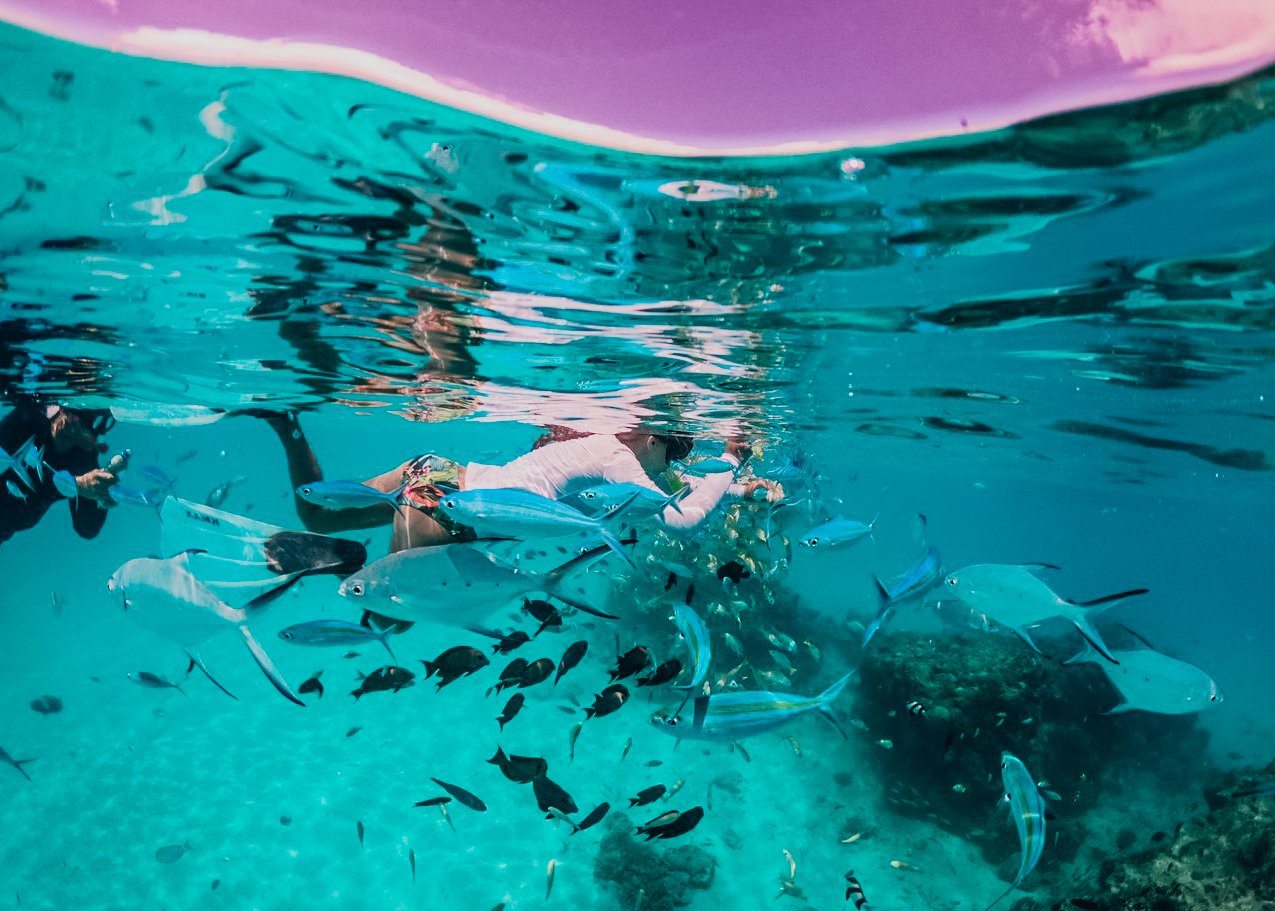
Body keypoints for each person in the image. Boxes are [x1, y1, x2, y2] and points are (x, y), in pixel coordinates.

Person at [261, 413, 781, 554]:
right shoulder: (621, 459)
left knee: (317, 514)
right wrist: (733, 462)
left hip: (437, 470)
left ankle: (288, 426)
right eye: (666, 452)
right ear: (650, 437)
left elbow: (682, 488)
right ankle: (340, 563)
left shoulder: (599, 435)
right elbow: (683, 518)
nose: (662, 467)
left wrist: (744, 490)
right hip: (457, 510)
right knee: (385, 614)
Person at [0, 400, 120, 545]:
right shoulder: (25, 421)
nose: (98, 434)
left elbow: (87, 528)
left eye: (106, 423)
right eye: (94, 421)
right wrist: (75, 485)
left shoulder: (83, 455)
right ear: (70, 414)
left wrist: (101, 492)